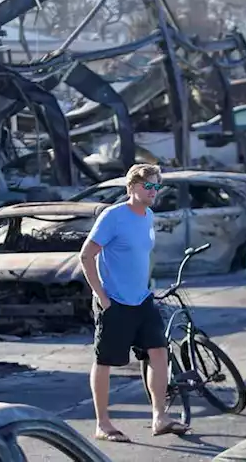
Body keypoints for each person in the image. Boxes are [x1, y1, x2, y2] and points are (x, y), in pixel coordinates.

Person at [79, 163, 189, 443]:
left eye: (156, 186)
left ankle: (159, 417)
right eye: (147, 186)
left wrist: (149, 284)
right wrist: (102, 297)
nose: (153, 191)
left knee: (159, 352)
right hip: (114, 301)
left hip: (142, 299)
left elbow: (142, 255)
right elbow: (86, 256)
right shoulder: (113, 217)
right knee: (105, 361)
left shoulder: (148, 216)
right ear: (131, 188)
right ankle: (102, 424)